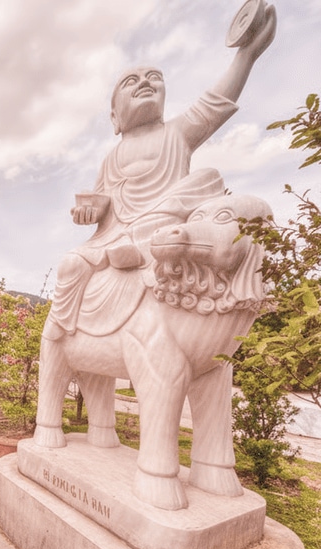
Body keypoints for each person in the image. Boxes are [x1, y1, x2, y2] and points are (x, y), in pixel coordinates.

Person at [46, 4, 276, 339]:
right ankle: (63, 329)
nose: (144, 82)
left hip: (161, 221)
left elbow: (216, 102)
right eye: (130, 82)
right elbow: (101, 206)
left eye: (154, 79)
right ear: (114, 118)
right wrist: (89, 211)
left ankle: (138, 249)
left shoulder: (176, 133)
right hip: (114, 234)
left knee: (206, 176)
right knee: (70, 263)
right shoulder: (111, 159)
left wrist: (246, 56)